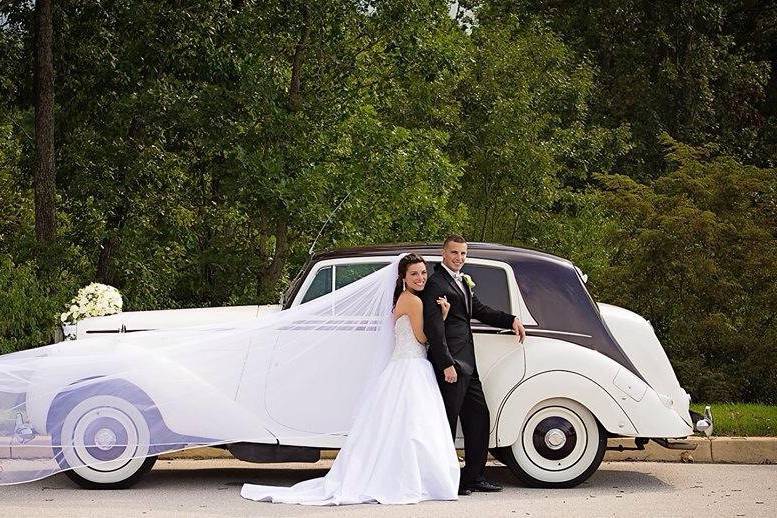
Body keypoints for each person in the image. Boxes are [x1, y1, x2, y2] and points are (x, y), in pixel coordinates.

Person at [240, 253, 460, 505]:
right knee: (414, 427)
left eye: (423, 273)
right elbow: (423, 338)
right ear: (403, 277)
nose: (421, 278)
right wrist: (441, 317)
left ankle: (404, 476)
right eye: (414, 274)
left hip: (402, 367)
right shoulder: (414, 302)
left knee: (403, 428)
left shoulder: (401, 299)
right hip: (412, 367)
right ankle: (415, 479)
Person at [422, 235, 526, 495]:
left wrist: (510, 319)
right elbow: (434, 328)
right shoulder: (436, 283)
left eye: (463, 254)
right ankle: (445, 480)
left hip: (468, 363)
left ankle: (474, 476)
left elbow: (478, 309)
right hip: (452, 363)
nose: (459, 258)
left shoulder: (463, 281)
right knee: (447, 420)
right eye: (454, 253)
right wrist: (445, 363)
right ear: (443, 254)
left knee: (478, 417)